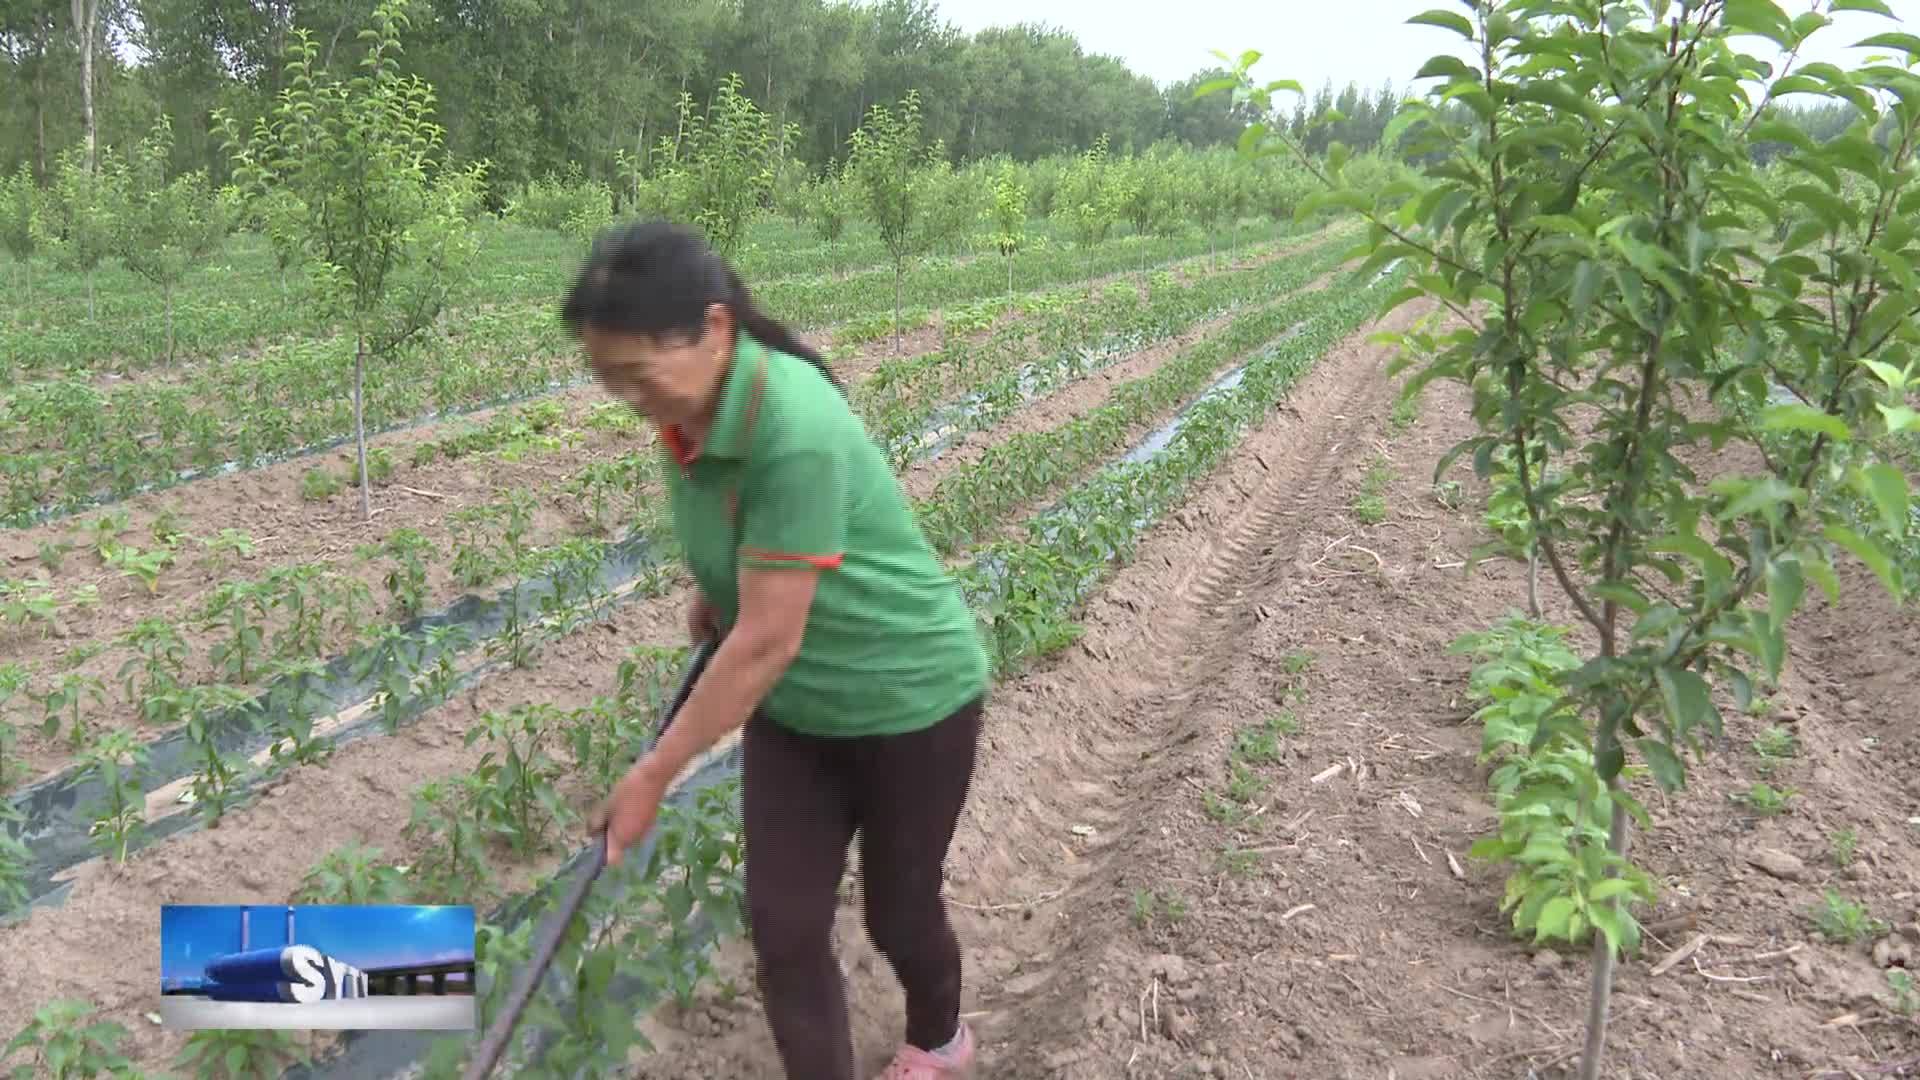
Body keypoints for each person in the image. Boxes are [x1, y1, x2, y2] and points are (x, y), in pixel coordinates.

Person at [563, 220, 992, 1080]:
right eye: (607, 377)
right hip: (798, 713)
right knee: (785, 928)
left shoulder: (790, 420)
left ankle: (940, 1036)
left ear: (714, 330)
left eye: (636, 373)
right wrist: (717, 587)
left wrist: (655, 773)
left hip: (909, 697)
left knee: (898, 915)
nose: (627, 396)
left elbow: (764, 642)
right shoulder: (687, 411)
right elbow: (744, 541)